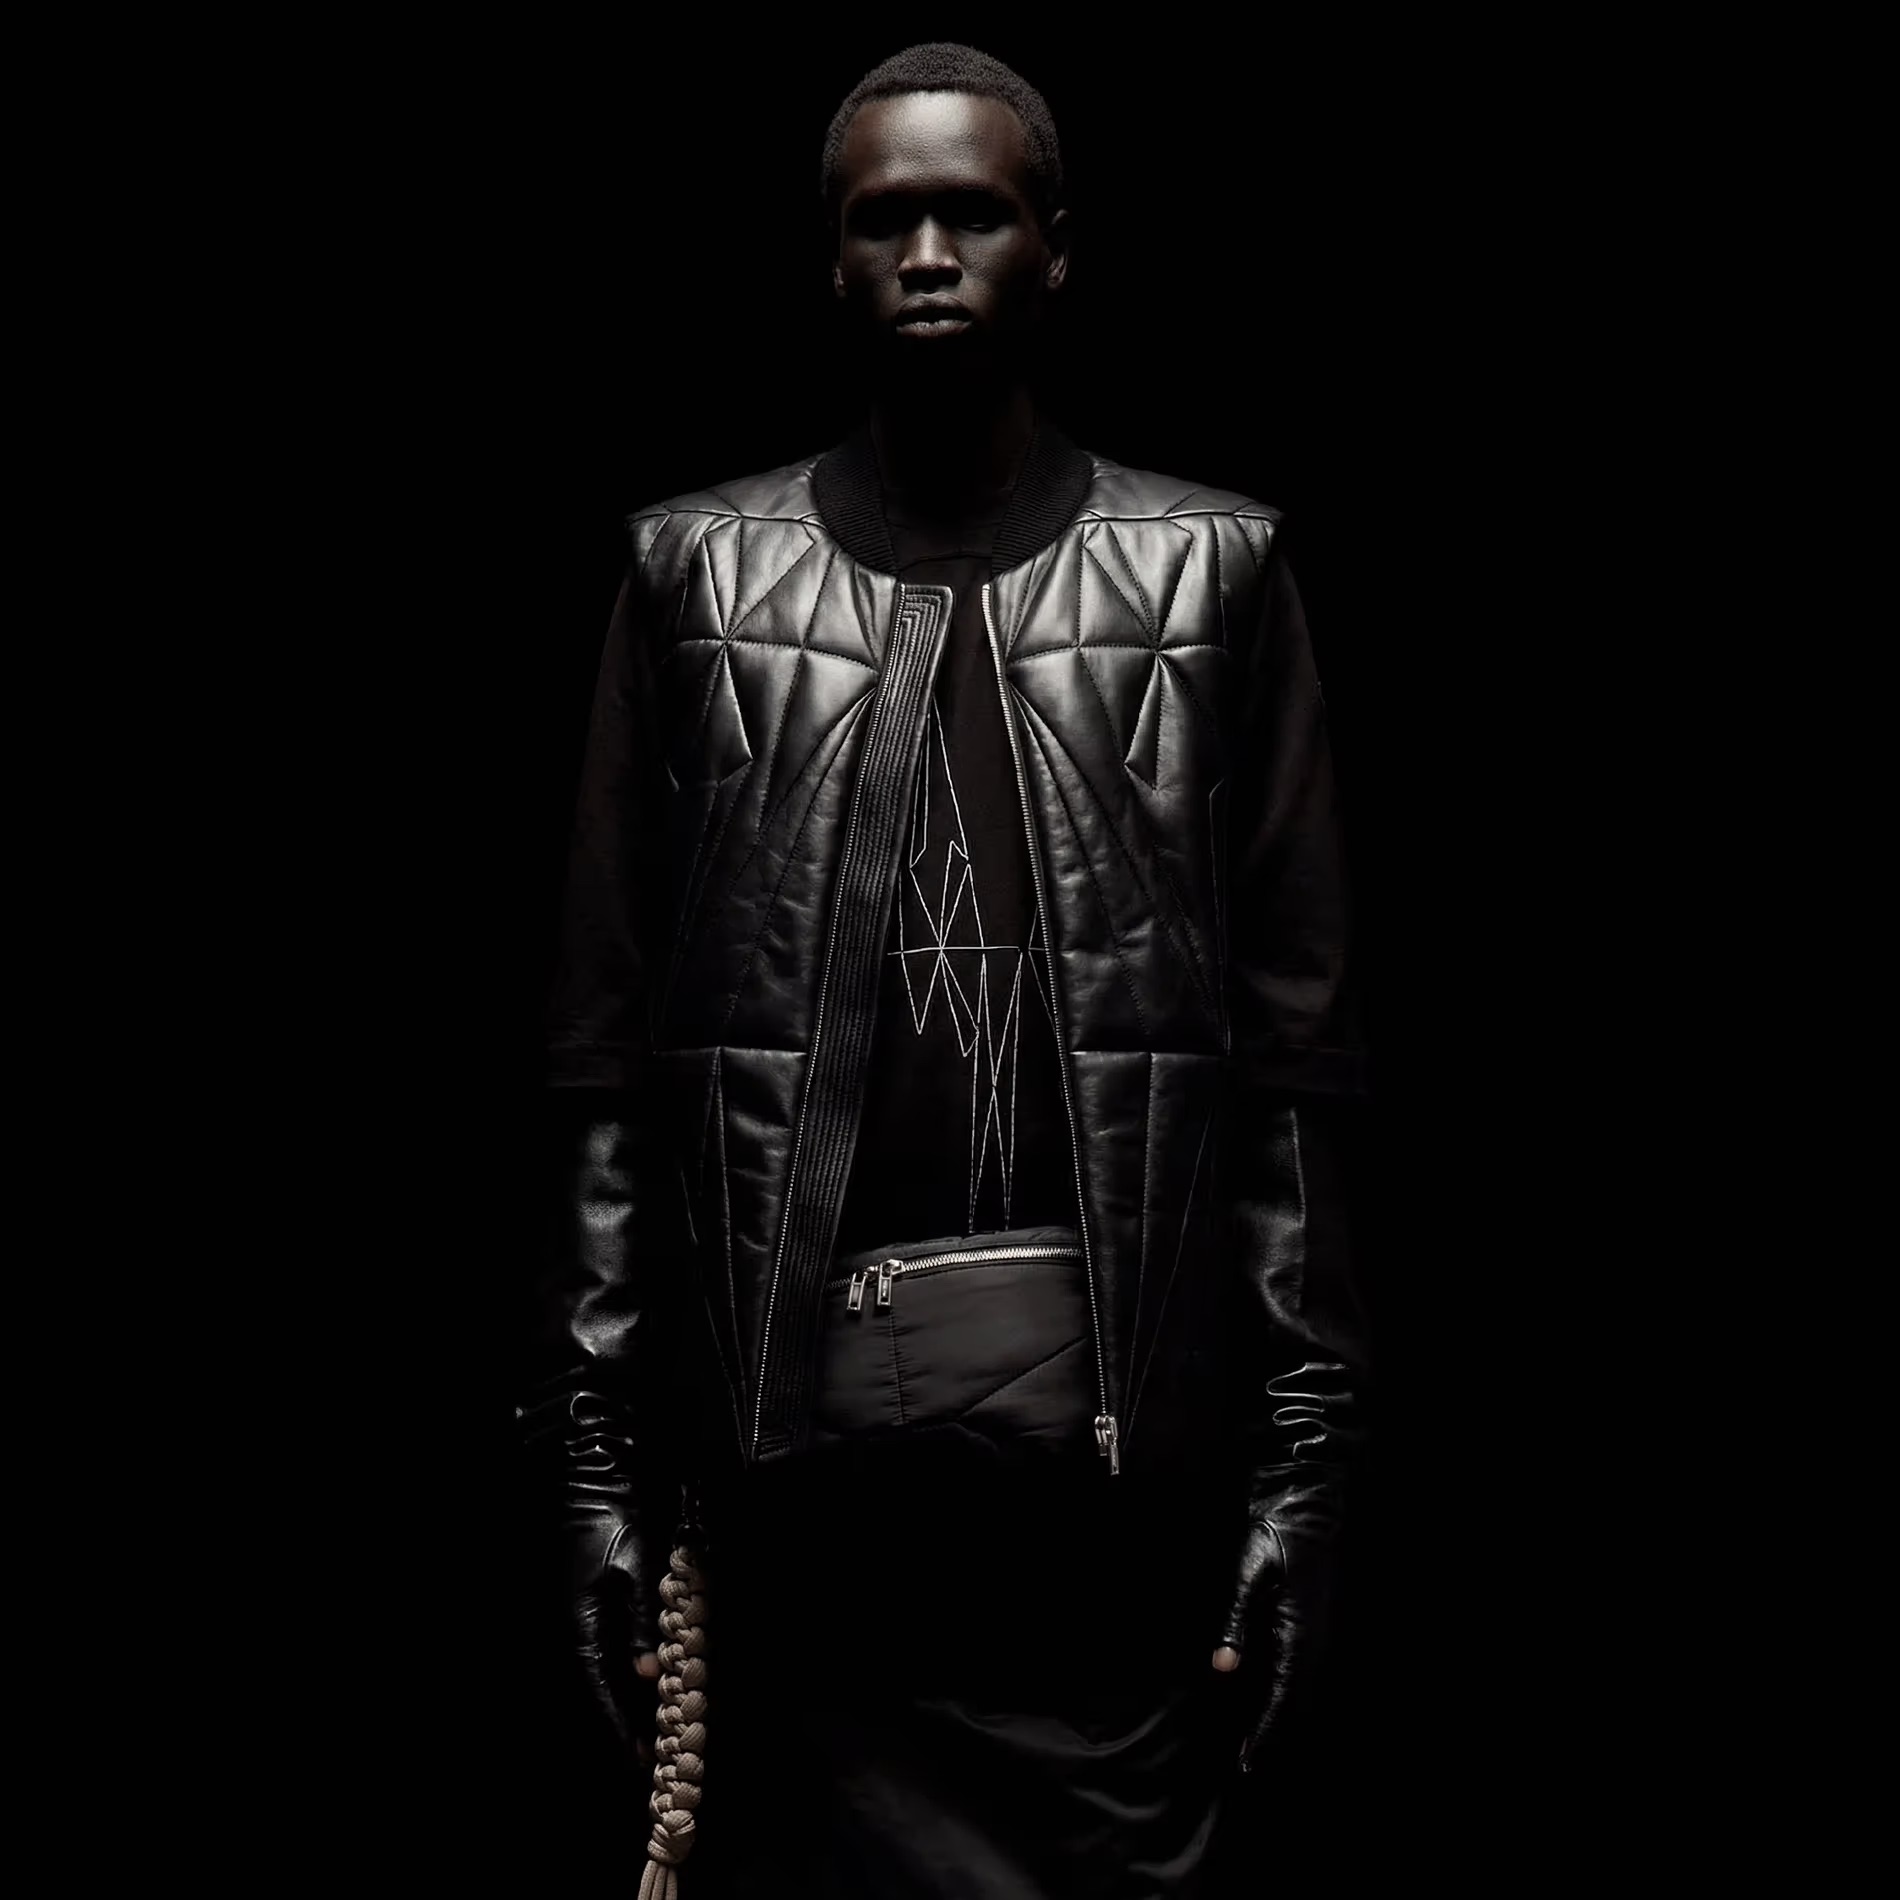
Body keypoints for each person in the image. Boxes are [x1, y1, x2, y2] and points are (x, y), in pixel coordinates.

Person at [518, 41, 1369, 1899]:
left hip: (1111, 1530)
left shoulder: (1213, 576)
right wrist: (592, 1468)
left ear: (1056, 247)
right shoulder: (694, 579)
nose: (924, 253)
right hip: (801, 1525)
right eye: (880, 218)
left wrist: (1306, 1473)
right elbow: (601, 1085)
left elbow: (1297, 1091)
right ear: (828, 261)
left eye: (970, 213)